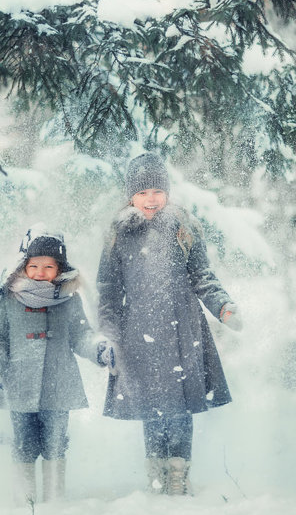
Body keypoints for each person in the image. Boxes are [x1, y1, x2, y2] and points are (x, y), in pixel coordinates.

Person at [97, 152, 241, 496]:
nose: (151, 199)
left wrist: (222, 306)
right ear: (130, 195)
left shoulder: (183, 229)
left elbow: (202, 276)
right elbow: (108, 291)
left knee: (179, 408)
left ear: (168, 193)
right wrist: (108, 335)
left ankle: (178, 474)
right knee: (152, 406)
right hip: (138, 334)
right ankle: (156, 473)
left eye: (158, 191)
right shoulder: (118, 235)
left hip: (183, 331)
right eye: (143, 192)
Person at [0, 225, 113, 505]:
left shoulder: (68, 298)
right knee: (23, 444)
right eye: (34, 265)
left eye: (49, 266)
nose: (41, 272)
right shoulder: (8, 297)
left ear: (59, 268)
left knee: (55, 442)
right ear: (23, 266)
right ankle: (24, 501)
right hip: (19, 385)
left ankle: (55, 500)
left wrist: (99, 349)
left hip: (58, 385)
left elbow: (81, 336)